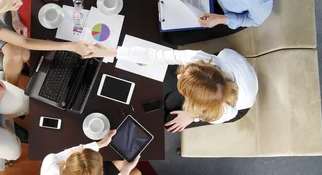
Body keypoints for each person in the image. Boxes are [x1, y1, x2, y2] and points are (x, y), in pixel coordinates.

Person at [89, 44, 258, 132]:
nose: (178, 75)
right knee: (171, 85)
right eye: (184, 74)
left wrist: (192, 117)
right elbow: (154, 55)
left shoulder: (221, 112)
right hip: (226, 60)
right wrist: (111, 52)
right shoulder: (197, 57)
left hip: (237, 105)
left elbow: (231, 113)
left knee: (171, 121)